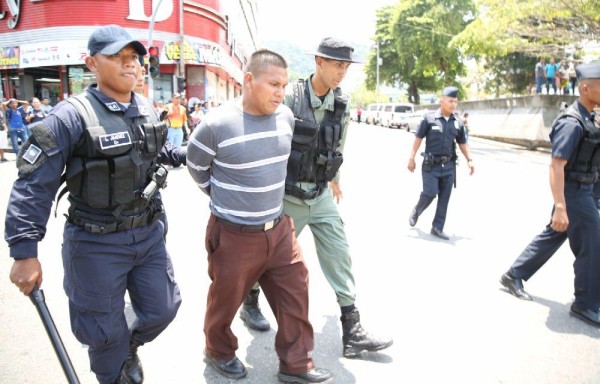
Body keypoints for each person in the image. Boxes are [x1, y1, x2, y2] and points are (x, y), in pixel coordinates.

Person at [5, 25, 184, 384]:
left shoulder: (145, 108)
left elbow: (152, 153)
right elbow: (32, 186)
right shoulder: (69, 117)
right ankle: (113, 368)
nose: (130, 65)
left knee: (163, 309)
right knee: (102, 331)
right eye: (117, 57)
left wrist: (184, 153)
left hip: (147, 235)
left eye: (133, 57)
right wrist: (24, 252)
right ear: (91, 63)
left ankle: (125, 347)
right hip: (95, 243)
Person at [240, 37, 393, 359]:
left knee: (339, 253)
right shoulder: (289, 97)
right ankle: (250, 301)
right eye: (337, 65)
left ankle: (352, 328)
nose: (342, 72)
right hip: (286, 196)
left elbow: (338, 146)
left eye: (346, 67)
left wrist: (335, 179)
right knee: (264, 259)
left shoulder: (342, 102)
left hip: (319, 194)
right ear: (319, 62)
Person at [186, 48, 332, 383]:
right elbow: (196, 168)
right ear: (249, 80)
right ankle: (218, 351)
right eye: (273, 84)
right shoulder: (216, 124)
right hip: (234, 235)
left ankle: (296, 364)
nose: (281, 92)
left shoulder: (285, 118)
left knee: (296, 290)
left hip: (279, 229)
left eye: (284, 85)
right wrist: (224, 196)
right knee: (226, 298)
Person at [499, 62, 600, 328]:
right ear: (585, 87)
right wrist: (560, 205)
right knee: (592, 245)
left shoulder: (590, 117)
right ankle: (586, 304)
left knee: (554, 233)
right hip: (574, 193)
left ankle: (514, 274)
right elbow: (557, 164)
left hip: (586, 190)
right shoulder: (572, 122)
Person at [407, 86, 475, 240]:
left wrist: (469, 160)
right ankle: (417, 209)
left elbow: (462, 143)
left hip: (449, 166)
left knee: (444, 197)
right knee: (430, 192)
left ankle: (437, 227)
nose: (453, 104)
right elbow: (418, 139)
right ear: (442, 101)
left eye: (455, 102)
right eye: (450, 101)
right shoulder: (429, 118)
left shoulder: (457, 121)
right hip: (431, 165)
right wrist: (411, 158)